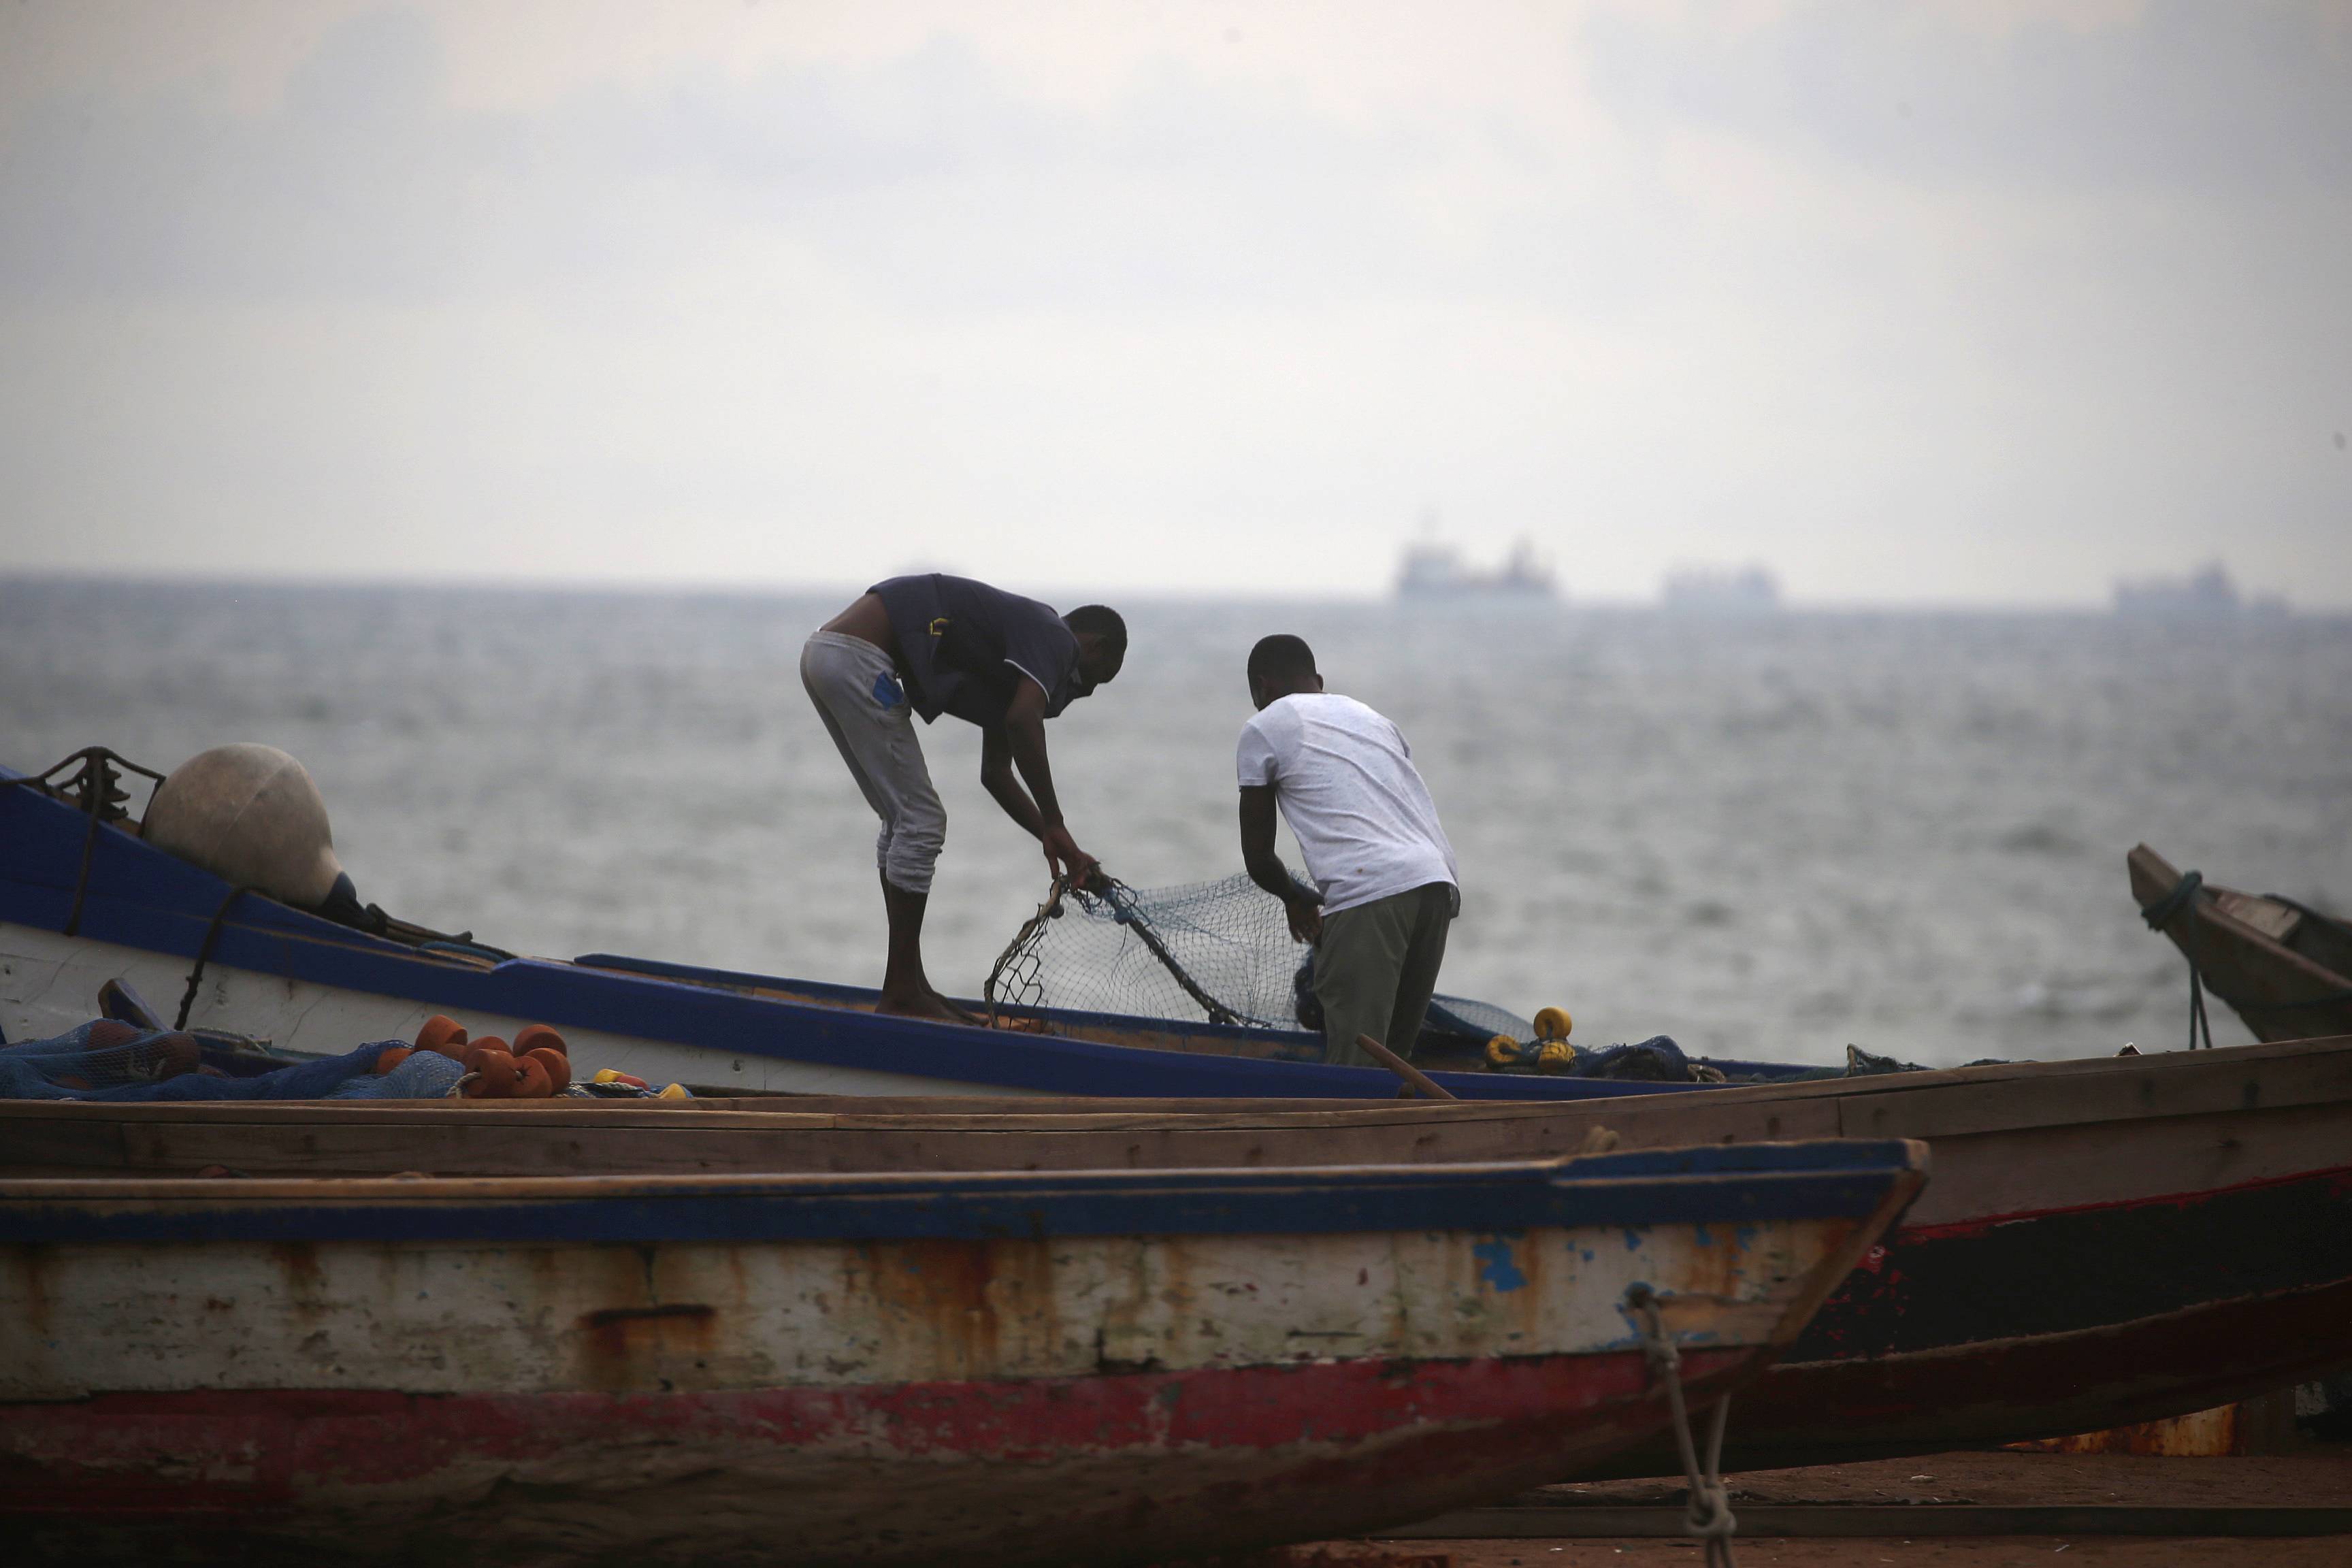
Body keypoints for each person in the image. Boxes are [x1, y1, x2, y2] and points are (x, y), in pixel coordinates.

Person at [802, 574, 1126, 1020]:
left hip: (828, 652)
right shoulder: (1055, 637)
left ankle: (909, 983)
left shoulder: (1014, 653)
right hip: (858, 658)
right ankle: (901, 991)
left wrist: (1053, 840)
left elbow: (995, 774)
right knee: (922, 821)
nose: (1086, 691)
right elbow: (1023, 721)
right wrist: (1055, 821)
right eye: (1096, 680)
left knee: (903, 820)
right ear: (1096, 647)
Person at [1235, 634, 1460, 1066]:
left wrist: (1294, 897)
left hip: (1369, 896)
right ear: (1318, 680)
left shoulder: (1265, 725)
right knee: (1398, 1063)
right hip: (1435, 885)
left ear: (1262, 687)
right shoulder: (1372, 718)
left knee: (1356, 1073)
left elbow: (1259, 857)